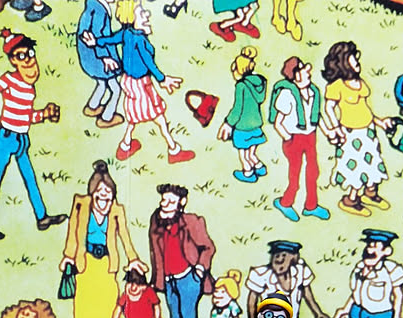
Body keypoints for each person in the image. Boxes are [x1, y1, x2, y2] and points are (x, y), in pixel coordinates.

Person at [0, 28, 65, 241]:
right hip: (6, 139)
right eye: (21, 56)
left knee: (30, 178)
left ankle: (42, 217)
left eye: (29, 53)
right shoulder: (9, 80)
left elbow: (25, 116)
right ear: (13, 60)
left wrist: (44, 115)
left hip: (22, 138)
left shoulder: (29, 88)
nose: (28, 60)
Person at [61, 161, 148, 318]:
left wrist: (133, 259)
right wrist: (68, 256)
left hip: (107, 264)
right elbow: (72, 231)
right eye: (100, 196)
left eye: (108, 197)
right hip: (85, 262)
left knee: (107, 306)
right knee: (85, 306)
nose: (104, 201)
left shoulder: (116, 211)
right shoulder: (81, 205)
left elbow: (124, 236)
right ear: (93, 194)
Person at [81, 0, 194, 164]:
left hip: (129, 82)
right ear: (132, 19)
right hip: (140, 84)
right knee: (158, 116)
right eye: (142, 13)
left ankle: (125, 145)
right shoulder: (139, 39)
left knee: (135, 117)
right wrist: (162, 79)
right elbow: (148, 61)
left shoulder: (126, 33)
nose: (147, 14)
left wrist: (96, 42)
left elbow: (110, 39)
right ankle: (173, 149)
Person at [148, 183, 216, 318]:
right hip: (169, 279)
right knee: (174, 311)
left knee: (188, 312)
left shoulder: (191, 222)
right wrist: (158, 279)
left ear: (181, 202)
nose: (165, 204)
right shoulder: (157, 224)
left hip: (188, 277)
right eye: (163, 200)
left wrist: (200, 270)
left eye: (170, 201)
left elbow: (208, 247)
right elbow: (156, 253)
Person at [322, 41, 391, 216]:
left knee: (372, 161)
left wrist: (379, 122)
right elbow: (329, 107)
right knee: (356, 166)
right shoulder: (337, 86)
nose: (357, 62)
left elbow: (365, 109)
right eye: (352, 59)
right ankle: (351, 199)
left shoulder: (360, 83)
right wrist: (335, 127)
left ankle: (371, 192)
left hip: (368, 131)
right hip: (351, 134)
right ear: (342, 63)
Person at [269, 56, 334, 221]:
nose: (308, 71)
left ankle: (311, 206)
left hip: (310, 136)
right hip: (294, 139)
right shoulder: (287, 94)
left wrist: (328, 132)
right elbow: (278, 122)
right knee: (295, 174)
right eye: (304, 69)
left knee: (313, 171)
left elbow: (316, 115)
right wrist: (288, 137)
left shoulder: (313, 92)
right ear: (296, 75)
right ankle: (285, 203)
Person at [245, 240, 332, 318]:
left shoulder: (300, 271)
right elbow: (252, 300)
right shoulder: (262, 275)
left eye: (284, 256)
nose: (279, 259)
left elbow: (307, 294)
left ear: (293, 258)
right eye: (276, 255)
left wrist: (318, 313)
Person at [218, 47, 267, 183]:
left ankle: (248, 173)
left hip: (243, 127)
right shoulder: (260, 83)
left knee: (244, 155)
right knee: (251, 153)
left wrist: (228, 123)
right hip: (256, 126)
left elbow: (237, 108)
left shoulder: (241, 86)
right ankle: (260, 167)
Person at [76, 0, 123, 129]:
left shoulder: (92, 7)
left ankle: (92, 106)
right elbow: (95, 36)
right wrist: (104, 57)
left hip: (91, 57)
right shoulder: (99, 11)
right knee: (116, 89)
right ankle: (107, 117)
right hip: (100, 58)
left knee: (102, 83)